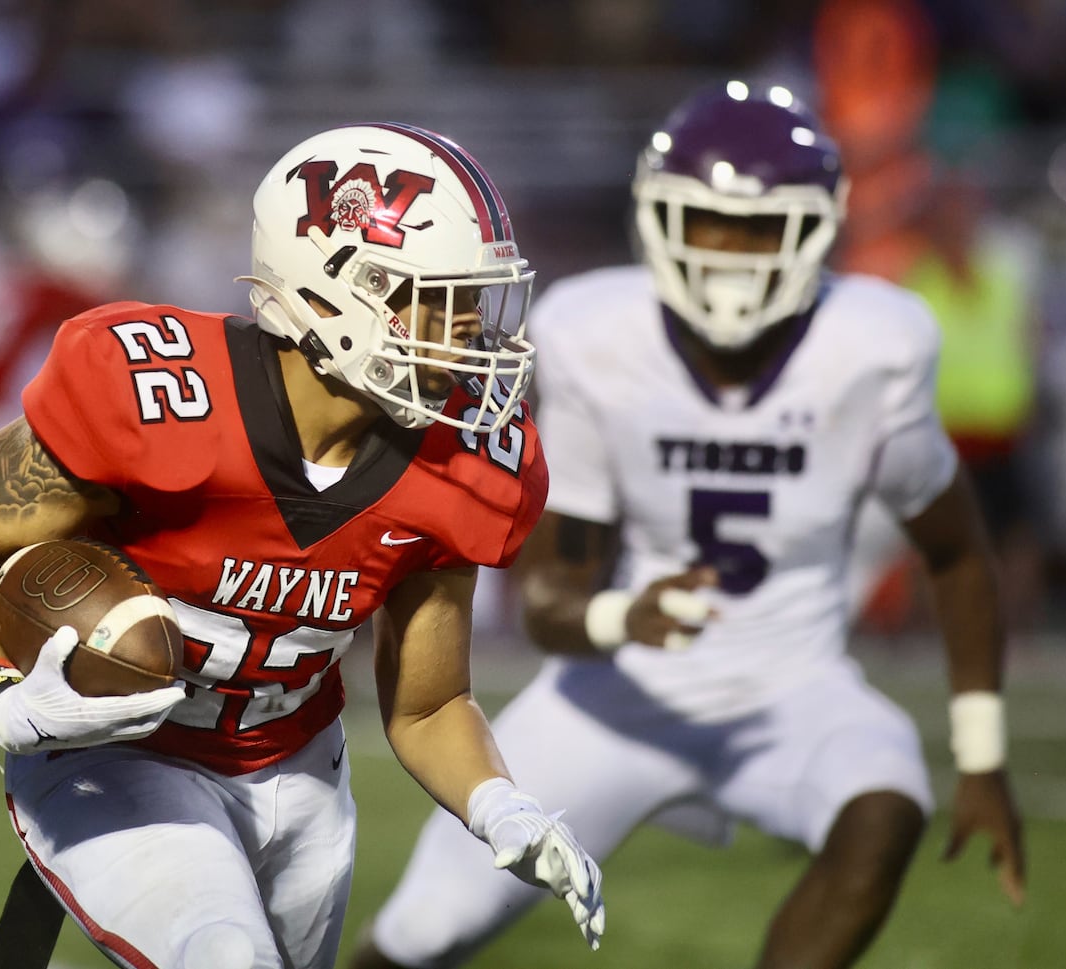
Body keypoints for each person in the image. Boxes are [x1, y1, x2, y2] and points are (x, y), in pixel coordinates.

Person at [0, 122, 605, 969]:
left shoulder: (458, 462)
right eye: (440, 299)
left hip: (301, 770)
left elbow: (429, 702)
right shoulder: (158, 392)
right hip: (119, 752)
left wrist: (499, 804)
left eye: (474, 303)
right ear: (335, 293)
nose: (470, 335)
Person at [351, 85, 1025, 969]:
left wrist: (981, 755)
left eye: (757, 229)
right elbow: (553, 598)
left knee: (887, 799)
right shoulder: (598, 334)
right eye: (705, 222)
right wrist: (624, 617)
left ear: (817, 229)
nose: (731, 256)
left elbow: (956, 552)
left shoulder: (874, 343)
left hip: (794, 685)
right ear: (657, 217)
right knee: (422, 931)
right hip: (617, 695)